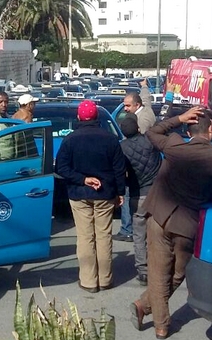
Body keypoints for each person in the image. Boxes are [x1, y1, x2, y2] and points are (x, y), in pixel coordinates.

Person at [131, 106, 212, 340]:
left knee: (158, 274)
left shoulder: (175, 146)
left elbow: (153, 132)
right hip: (188, 223)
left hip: (159, 216)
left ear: (188, 129)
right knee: (176, 275)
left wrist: (178, 118)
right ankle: (161, 324)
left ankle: (146, 308)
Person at [55, 100, 126, 293]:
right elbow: (119, 169)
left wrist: (83, 179)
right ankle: (105, 279)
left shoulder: (70, 139)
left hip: (79, 194)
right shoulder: (110, 139)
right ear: (96, 117)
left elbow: (60, 168)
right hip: (105, 193)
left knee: (85, 237)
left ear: (79, 117)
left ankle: (88, 281)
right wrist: (121, 192)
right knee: (103, 236)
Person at [119, 114, 161, 286]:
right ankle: (159, 266)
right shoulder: (150, 142)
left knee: (139, 233)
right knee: (158, 233)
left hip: (138, 193)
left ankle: (143, 271)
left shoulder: (122, 148)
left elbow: (122, 172)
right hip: (157, 193)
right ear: (137, 128)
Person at [115, 82, 159, 241]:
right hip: (142, 168)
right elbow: (146, 98)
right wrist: (145, 86)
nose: (125, 109)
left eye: (127, 106)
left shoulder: (143, 120)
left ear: (137, 105)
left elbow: (140, 145)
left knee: (128, 197)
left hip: (138, 170)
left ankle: (127, 230)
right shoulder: (144, 107)